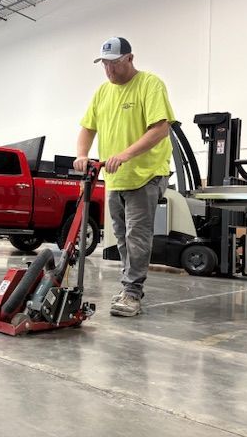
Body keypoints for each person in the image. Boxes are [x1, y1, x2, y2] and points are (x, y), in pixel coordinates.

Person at [74, 37, 175, 317]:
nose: (109, 71)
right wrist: (82, 154)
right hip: (115, 178)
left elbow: (160, 129)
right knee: (119, 236)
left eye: (114, 64)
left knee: (136, 236)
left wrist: (127, 155)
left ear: (130, 59)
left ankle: (131, 293)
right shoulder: (102, 92)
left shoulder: (150, 84)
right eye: (104, 64)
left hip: (146, 174)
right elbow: (87, 128)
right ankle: (130, 286)